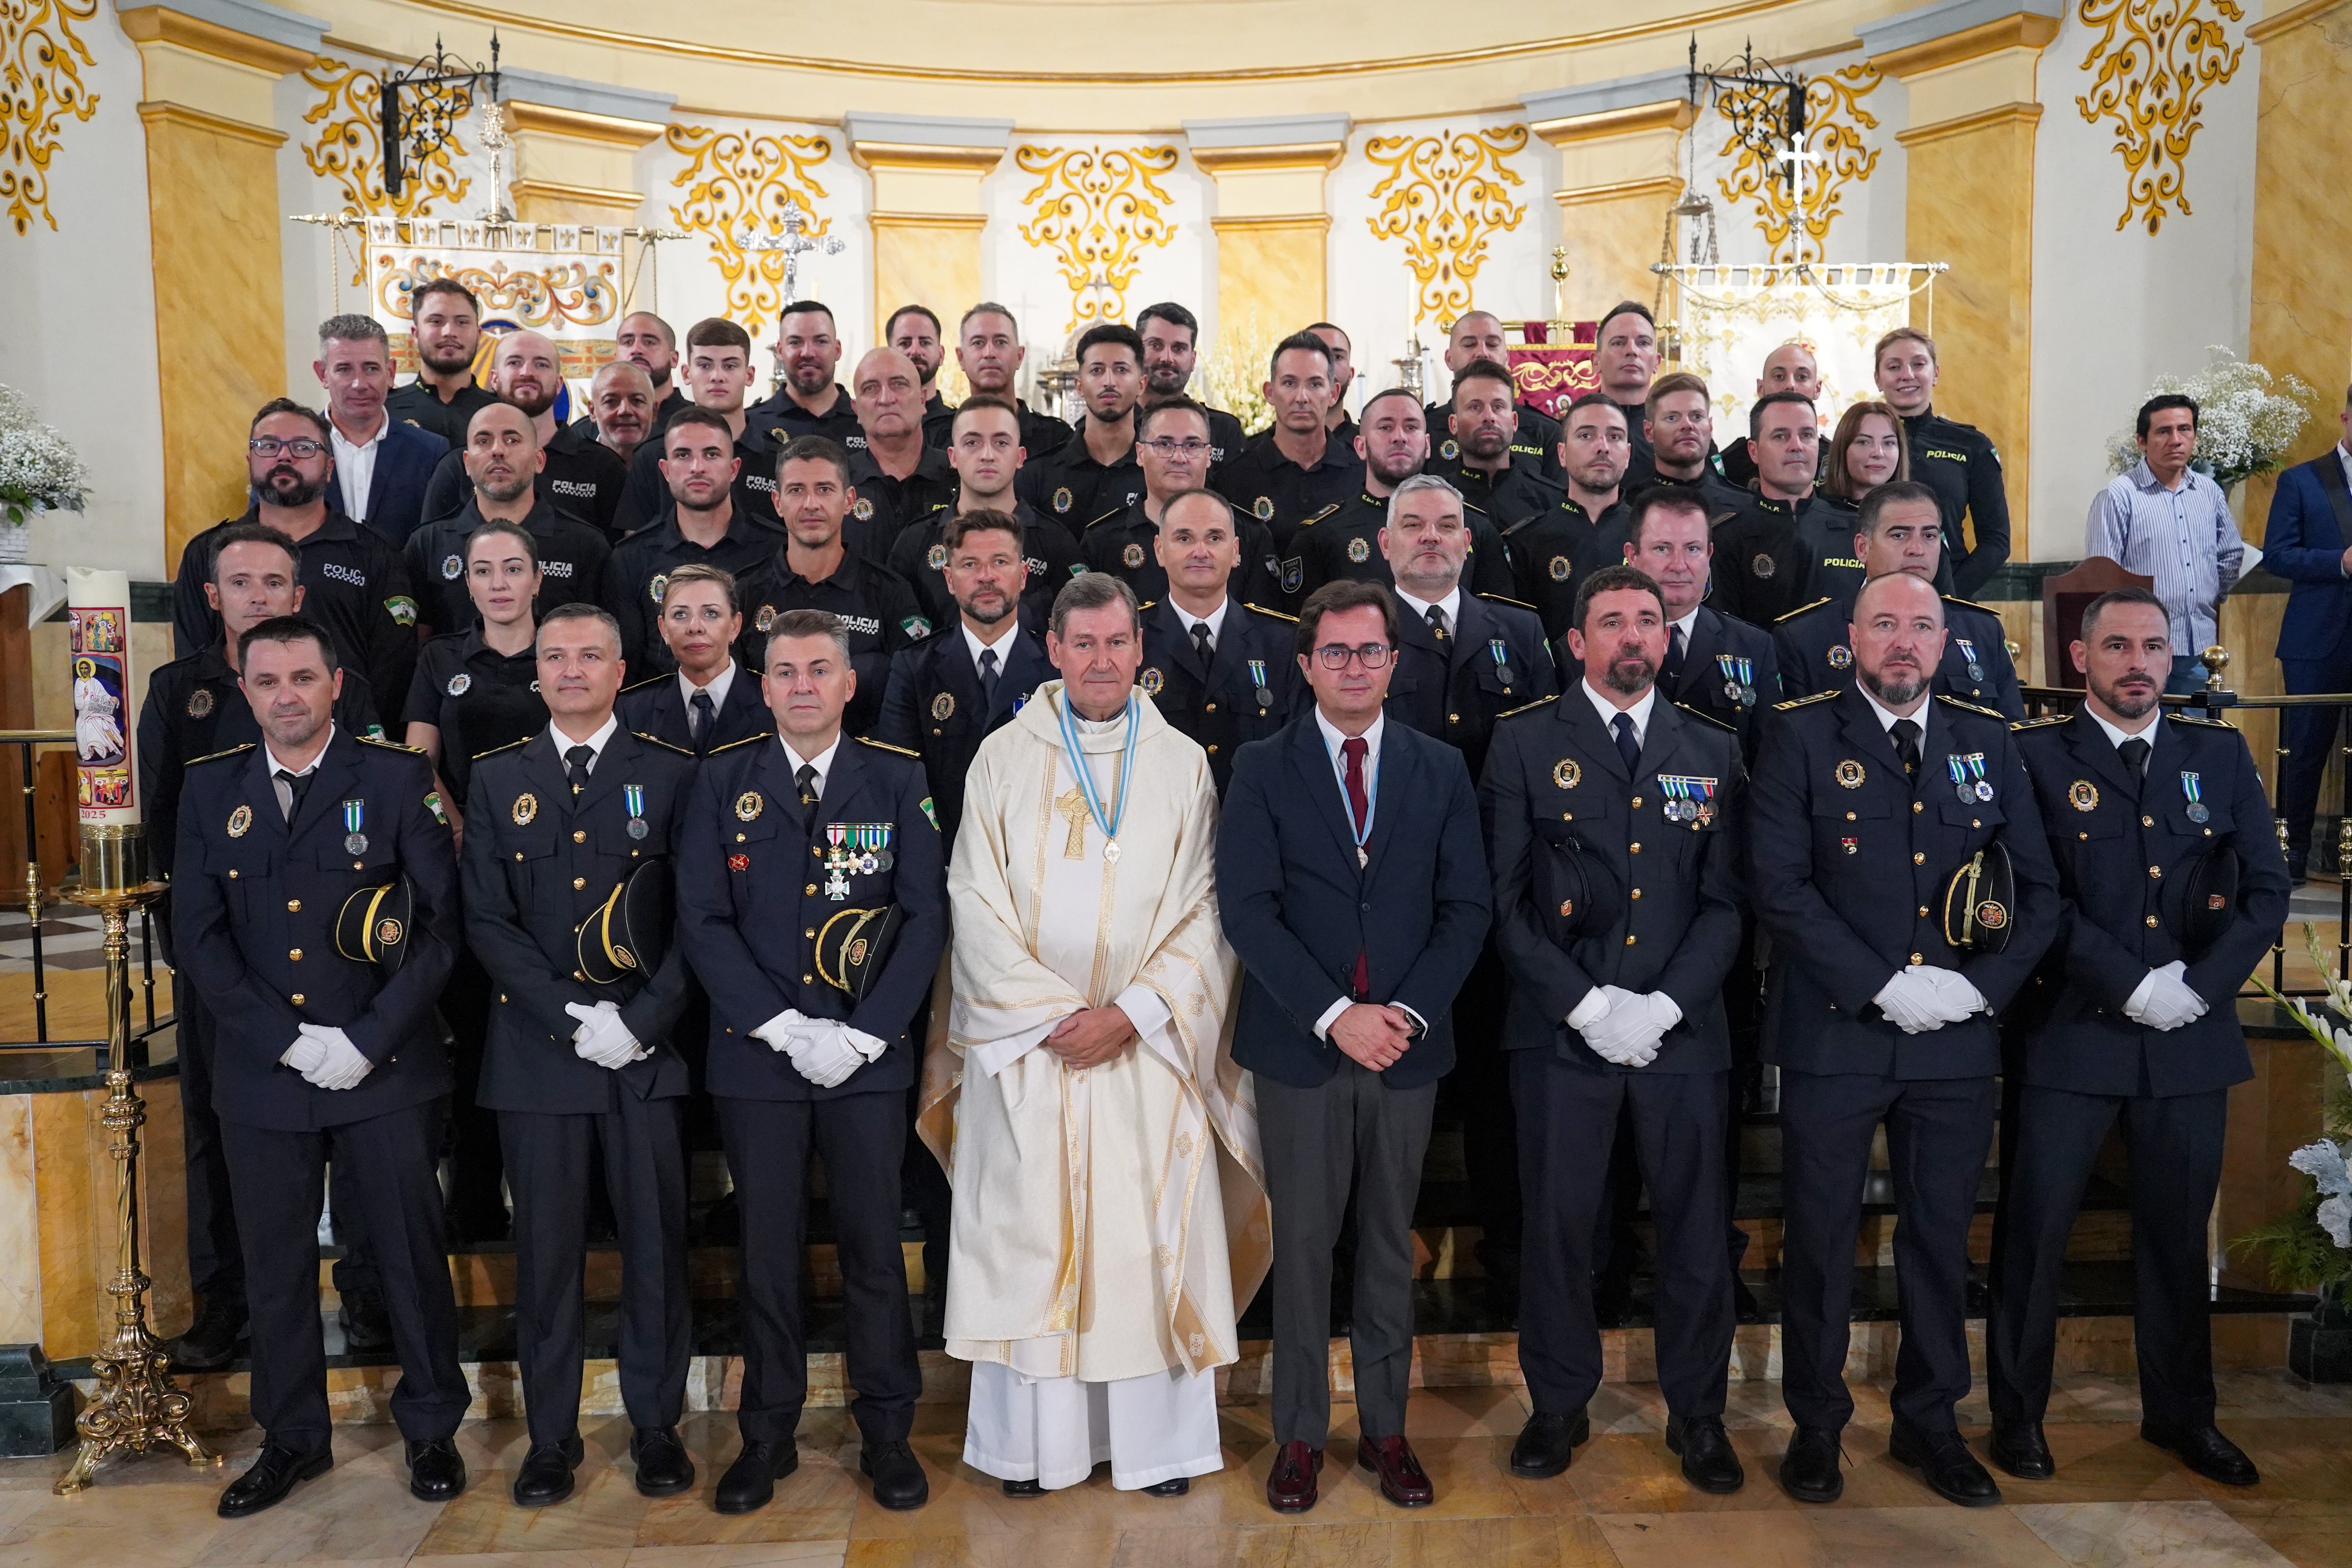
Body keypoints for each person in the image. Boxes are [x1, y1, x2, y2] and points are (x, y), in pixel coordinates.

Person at [921, 572, 1266, 1498]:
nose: (1103, 660)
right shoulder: (1000, 756)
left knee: (1142, 1246)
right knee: (1031, 1244)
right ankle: (1034, 1451)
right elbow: (972, 898)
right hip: (1033, 1051)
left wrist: (1135, 1013)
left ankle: (1157, 1450)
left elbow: (1207, 905)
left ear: (1140, 650)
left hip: (1148, 1051)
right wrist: (1050, 1016)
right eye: (1085, 644)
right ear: (1056, 650)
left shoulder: (1183, 762)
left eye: (1118, 642)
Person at [1747, 570, 2057, 1508]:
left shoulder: (1988, 739)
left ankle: (1932, 1425)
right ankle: (1816, 1424)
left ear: (1944, 640)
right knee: (1820, 1237)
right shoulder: (1798, 733)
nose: (1903, 641)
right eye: (1884, 623)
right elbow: (1778, 882)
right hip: (1835, 1035)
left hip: (1954, 1045)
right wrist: (1880, 984)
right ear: (1852, 635)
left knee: (1936, 1242)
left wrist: (1974, 991)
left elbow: (2039, 892)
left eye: (1921, 626)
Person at [1990, 587, 2288, 1490]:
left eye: (2153, 646)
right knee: (2034, 1235)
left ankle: (2182, 1415)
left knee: (2173, 1238)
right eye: (2116, 645)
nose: (2137, 662)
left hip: (2188, 1041)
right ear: (2081, 659)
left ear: (2173, 657)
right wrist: (2129, 983)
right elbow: (2037, 894)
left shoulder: (2218, 751)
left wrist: (2195, 988)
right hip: (2071, 1035)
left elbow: (2265, 890)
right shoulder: (2034, 756)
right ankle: (2017, 1417)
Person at [172, 615, 468, 1517]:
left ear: (336, 684)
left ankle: (431, 1429)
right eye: (268, 681)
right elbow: (197, 935)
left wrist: (366, 1037)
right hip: (267, 1077)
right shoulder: (208, 789)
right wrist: (288, 1040)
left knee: (411, 1257)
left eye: (303, 677)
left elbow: (438, 927)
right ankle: (294, 1437)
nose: (287, 696)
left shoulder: (393, 778)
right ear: (245, 689)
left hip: (385, 1068)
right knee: (274, 1266)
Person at [1218, 577, 1489, 1513]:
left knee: (1386, 1246)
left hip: (1407, 1048)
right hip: (1303, 1048)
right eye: (1335, 651)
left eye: (1371, 651)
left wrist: (1403, 1013)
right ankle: (1299, 1433)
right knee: (1302, 1247)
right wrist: (1338, 1013)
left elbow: (1467, 909)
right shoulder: (1261, 765)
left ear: (1394, 663)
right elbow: (1248, 910)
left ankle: (1385, 1429)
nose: (1354, 666)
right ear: (1306, 664)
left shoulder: (1439, 766)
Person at [1483, 563, 1747, 1495]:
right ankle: (1557, 1404)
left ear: (1667, 639)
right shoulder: (1521, 745)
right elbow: (1503, 903)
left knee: (1695, 1231)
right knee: (1558, 1228)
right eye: (1613, 622)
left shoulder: (1711, 746)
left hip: (1685, 1036)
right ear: (1576, 642)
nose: (1635, 636)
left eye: (1649, 621)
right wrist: (1592, 1007)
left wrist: (1663, 1007)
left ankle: (1700, 1412)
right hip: (1561, 1034)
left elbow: (1727, 903)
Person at [676, 608, 943, 1514]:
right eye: (784, 671)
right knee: (766, 1253)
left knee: (873, 1248)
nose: (801, 685)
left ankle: (889, 1434)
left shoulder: (897, 778)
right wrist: (784, 1028)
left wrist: (867, 1033)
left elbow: (924, 918)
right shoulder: (721, 781)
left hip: (868, 1060)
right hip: (759, 1062)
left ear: (847, 681)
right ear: (762, 685)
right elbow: (703, 921)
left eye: (818, 669)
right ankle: (767, 1436)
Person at [461, 604, 698, 1507]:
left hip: (644, 1053)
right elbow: (486, 918)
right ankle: (550, 1439)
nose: (569, 669)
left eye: (588, 655)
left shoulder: (672, 773)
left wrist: (638, 1021)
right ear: (538, 673)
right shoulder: (497, 778)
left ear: (620, 668)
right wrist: (571, 1017)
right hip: (538, 1057)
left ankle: (657, 1427)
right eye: (554, 655)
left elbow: (695, 919)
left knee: (655, 1250)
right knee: (548, 1259)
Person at [142, 526, 384, 1374]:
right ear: (213, 595)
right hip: (228, 966)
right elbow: (162, 827)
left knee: (357, 1128)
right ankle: (226, 1300)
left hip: (338, 952)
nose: (258, 594)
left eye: (274, 581)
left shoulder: (334, 684)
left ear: (297, 593)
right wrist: (196, 961)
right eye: (239, 581)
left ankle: (368, 1291)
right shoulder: (181, 690)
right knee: (217, 1130)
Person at [401, 519, 548, 1245]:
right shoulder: (440, 659)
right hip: (466, 868)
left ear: (536, 579)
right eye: (485, 571)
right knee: (475, 1030)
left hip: (554, 869)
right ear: (468, 583)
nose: (499, 583)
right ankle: (476, 1197)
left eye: (513, 569)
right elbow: (416, 761)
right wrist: (458, 826)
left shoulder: (563, 650)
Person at [174, 399, 419, 729]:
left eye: (303, 447)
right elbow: (195, 662)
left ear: (329, 468)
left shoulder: (374, 554)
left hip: (347, 744)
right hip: (232, 741)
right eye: (269, 446)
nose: (284, 456)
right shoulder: (208, 552)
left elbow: (394, 671)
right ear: (250, 461)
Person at [875, 508, 1054, 846]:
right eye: (970, 564)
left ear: (1024, 574)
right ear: (949, 579)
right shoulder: (914, 669)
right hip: (944, 858)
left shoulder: (1057, 668)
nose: (986, 576)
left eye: (1000, 562)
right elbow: (898, 782)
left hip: (1037, 858)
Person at [1775, 481, 2023, 718]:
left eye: (1929, 536)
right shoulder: (1805, 636)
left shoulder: (1983, 632)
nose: (1917, 549)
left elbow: (2012, 737)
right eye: (1899, 536)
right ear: (1863, 548)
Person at [737, 436, 930, 737]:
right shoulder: (745, 593)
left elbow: (911, 700)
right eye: (796, 490)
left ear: (849, 500)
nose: (811, 504)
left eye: (824, 490)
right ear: (778, 502)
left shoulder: (891, 594)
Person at [1378, 473, 1556, 777]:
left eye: (1447, 526)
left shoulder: (1523, 631)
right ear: (1385, 543)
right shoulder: (1358, 637)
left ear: (1466, 544)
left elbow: (1547, 743)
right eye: (1413, 525)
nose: (1431, 536)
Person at [1136, 488, 1305, 793]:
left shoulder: (1282, 643)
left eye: (1215, 538)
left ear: (1236, 551)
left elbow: (1297, 754)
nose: (1201, 551)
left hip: (1253, 825)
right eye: (1184, 538)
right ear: (1159, 550)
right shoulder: (1130, 638)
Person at [404, 402, 615, 640]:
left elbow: (601, 643)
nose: (498, 451)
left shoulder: (586, 546)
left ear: (539, 460)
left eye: (512, 440)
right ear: (466, 463)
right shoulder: (428, 544)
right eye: (483, 441)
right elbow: (418, 644)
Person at [605, 406, 789, 676]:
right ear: (666, 471)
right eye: (683, 455)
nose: (697, 467)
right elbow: (628, 667)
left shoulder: (780, 551)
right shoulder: (630, 559)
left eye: (711, 454)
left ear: (734, 468)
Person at [2086, 394, 2243, 696]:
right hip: (2141, 650)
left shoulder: (2208, 492)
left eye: (2185, 430)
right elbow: (2102, 575)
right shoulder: (2121, 495)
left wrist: (2209, 596)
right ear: (2142, 441)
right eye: (2163, 432)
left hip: (2200, 645)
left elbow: (2231, 554)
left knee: (2198, 737)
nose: (2176, 440)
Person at [1295, 388, 1514, 601]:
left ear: (1427, 445)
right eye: (1385, 427)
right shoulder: (1322, 535)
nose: (1399, 437)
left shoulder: (1475, 527)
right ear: (1361, 447)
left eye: (1411, 427)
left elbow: (1497, 623)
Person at [2259, 385, 2352, 881]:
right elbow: (2276, 555)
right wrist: (2339, 561)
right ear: (2344, 418)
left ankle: (2345, 855)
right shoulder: (2302, 480)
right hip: (2317, 638)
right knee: (2305, 751)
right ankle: (2290, 856)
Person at [887, 394, 1079, 629]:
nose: (987, 455)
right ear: (953, 457)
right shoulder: (913, 543)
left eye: (1001, 443)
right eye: (972, 443)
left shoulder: (1057, 543)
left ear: (1020, 458)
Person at [417, 329, 628, 540]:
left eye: (541, 364)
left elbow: (618, 558)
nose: (527, 373)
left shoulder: (603, 466)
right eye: (514, 363)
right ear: (495, 379)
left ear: (558, 384)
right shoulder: (457, 467)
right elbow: (432, 548)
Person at [1623, 485, 1779, 751]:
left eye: (1692, 549)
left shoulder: (1754, 647)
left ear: (1709, 555)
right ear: (1632, 556)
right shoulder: (1597, 644)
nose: (1679, 565)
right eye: (1662, 549)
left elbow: (1768, 757)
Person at [1086, 396, 1276, 606]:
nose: (1179, 457)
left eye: (1192, 445)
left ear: (1208, 455)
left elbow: (1264, 630)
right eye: (1164, 444)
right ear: (1140, 454)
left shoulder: (1250, 536)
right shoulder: (1102, 541)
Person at [1210, 333, 1363, 593]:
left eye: (1315, 384)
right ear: (1270, 392)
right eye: (1290, 383)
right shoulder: (1232, 479)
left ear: (1334, 393)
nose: (1302, 397)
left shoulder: (1361, 473)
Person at [613, 318, 788, 535]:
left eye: (730, 366)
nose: (717, 377)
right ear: (687, 373)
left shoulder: (780, 460)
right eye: (705, 366)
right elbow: (635, 549)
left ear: (749, 375)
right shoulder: (652, 457)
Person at [1875, 327, 2011, 597]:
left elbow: (1996, 540)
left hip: (1950, 594)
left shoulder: (1972, 445)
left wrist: (1947, 595)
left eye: (1918, 364)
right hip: (1873, 595)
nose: (1907, 375)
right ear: (1878, 379)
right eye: (1894, 367)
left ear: (1935, 373)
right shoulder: (1858, 444)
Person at [1505, 391, 1632, 639]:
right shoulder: (1528, 541)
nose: (1603, 447)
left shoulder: (1652, 536)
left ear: (1627, 455)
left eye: (1614, 437)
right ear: (1562, 454)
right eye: (1586, 436)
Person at [315, 314, 449, 546]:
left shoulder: (430, 451)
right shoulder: (292, 450)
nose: (359, 384)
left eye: (371, 369)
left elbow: (439, 544)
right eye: (345, 370)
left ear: (391, 372)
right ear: (323, 375)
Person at [1710, 392, 1837, 626]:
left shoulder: (1855, 531)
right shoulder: (1725, 538)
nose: (1797, 446)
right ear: (1754, 451)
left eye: (1807, 435)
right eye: (1781, 436)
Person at [618, 564, 771, 754]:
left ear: (735, 626)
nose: (695, 627)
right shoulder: (632, 710)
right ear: (664, 629)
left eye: (711, 614)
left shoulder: (773, 702)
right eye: (680, 615)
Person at [1020, 322, 1146, 531]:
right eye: (1097, 370)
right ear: (1079, 386)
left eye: (1121, 370)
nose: (1109, 381)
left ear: (1141, 385)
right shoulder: (1039, 475)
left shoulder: (1158, 471)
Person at [846, 346, 957, 559]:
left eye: (899, 385)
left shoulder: (959, 479)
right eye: (871, 388)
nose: (886, 399)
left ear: (924, 400)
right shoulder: (836, 484)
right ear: (856, 410)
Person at [1431, 358, 1561, 535]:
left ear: (1515, 422)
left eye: (1498, 407)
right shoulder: (1432, 501)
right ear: (1454, 424)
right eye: (1475, 407)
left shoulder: (1552, 503)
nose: (1489, 416)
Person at [1423, 310, 1561, 478]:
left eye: (1492, 344)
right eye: (1469, 345)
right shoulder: (1425, 428)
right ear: (1449, 359)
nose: (1482, 353)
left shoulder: (1545, 431)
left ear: (1507, 357)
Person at [947, 301, 1074, 458]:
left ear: (1020, 357)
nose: (989, 353)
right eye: (978, 343)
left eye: (1001, 342)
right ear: (961, 358)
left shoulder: (1057, 439)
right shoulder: (940, 436)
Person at [385, 277, 495, 446]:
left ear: (479, 335)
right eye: (436, 321)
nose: (449, 332)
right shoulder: (384, 412)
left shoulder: (503, 413)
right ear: (416, 334)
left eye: (462, 322)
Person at [1137, 301, 1245, 464]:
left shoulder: (1223, 431)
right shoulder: (1115, 426)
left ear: (1193, 360)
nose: (1167, 358)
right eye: (1155, 345)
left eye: (1179, 348)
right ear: (1137, 353)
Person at [750, 299, 863, 446]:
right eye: (796, 343)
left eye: (821, 341)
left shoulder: (866, 422)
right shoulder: (752, 425)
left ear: (837, 350)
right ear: (780, 351)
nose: (808, 353)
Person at [1720, 341, 1831, 490]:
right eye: (1779, 377)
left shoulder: (1838, 460)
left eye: (1802, 377)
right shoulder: (1731, 464)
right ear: (1761, 388)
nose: (1791, 385)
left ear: (1817, 389)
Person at [1626, 371, 1736, 502]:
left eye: (1697, 417)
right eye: (1672, 418)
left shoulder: (1744, 510)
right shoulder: (1630, 510)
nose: (1687, 425)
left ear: (1710, 427)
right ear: (1649, 431)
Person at [1594, 302, 1663, 477]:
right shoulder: (1572, 429)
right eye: (1619, 343)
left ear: (1657, 363)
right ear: (1596, 362)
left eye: (1643, 343)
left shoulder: (1679, 430)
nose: (1632, 351)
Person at [885, 303, 955, 445]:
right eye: (905, 343)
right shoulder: (874, 425)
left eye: (925, 343)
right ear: (889, 356)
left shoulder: (960, 426)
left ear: (941, 355)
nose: (915, 351)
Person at [611, 309, 690, 430]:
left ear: (674, 359)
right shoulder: (590, 431)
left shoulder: (701, 423)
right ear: (615, 358)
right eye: (628, 342)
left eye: (649, 342)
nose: (636, 349)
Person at [583, 359, 659, 466]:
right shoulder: (573, 470)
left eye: (637, 401)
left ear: (654, 411)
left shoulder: (671, 469)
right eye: (611, 401)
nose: (625, 410)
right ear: (592, 411)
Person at [1308, 321, 1358, 445]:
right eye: (1316, 355)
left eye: (1337, 357)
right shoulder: (1256, 452)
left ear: (1350, 375)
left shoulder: (1370, 447)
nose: (1327, 366)